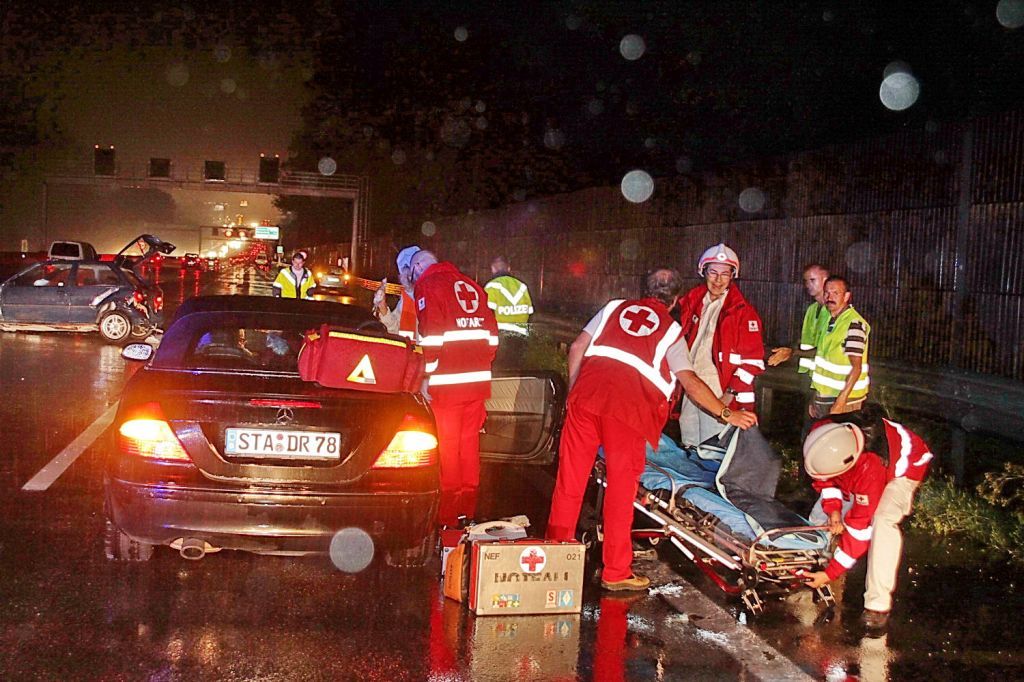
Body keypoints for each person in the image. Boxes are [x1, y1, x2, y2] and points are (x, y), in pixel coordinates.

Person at [546, 267, 758, 591]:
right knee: (620, 491)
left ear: (645, 289)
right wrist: (727, 413)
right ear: (675, 300)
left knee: (569, 481)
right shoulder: (671, 331)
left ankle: (553, 554)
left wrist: (575, 393)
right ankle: (616, 571)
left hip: (585, 401)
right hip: (628, 413)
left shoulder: (613, 307)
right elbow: (690, 381)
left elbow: (577, 348)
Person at [800, 412, 932, 629]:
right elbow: (824, 481)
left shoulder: (870, 469)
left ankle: (877, 605)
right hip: (857, 466)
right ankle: (810, 567)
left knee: (882, 521)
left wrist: (832, 573)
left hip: (904, 468)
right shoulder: (822, 434)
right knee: (819, 516)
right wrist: (834, 510)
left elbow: (859, 532)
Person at [409, 249, 499, 528]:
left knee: (448, 448)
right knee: (469, 444)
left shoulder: (428, 284)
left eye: (413, 271)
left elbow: (432, 336)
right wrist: (480, 362)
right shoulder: (471, 284)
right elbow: (493, 336)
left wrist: (427, 376)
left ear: (419, 267)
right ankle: (468, 510)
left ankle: (448, 516)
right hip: (477, 382)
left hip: (447, 384)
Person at [675, 243, 765, 447]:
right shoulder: (691, 302)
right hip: (691, 383)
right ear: (703, 272)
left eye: (725, 274)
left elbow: (753, 363)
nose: (718, 280)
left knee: (713, 444)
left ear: (733, 275)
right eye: (713, 273)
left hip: (719, 386)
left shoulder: (742, 312)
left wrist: (729, 394)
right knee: (689, 439)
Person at [808, 276, 870, 418]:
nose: (829, 297)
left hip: (846, 400)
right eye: (826, 293)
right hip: (826, 396)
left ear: (846, 296)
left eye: (835, 293)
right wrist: (815, 397)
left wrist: (840, 402)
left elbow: (856, 368)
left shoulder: (854, 323)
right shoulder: (830, 320)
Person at [767, 264, 831, 376]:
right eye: (806, 281)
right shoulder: (812, 309)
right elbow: (806, 339)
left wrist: (793, 352)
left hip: (825, 374)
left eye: (812, 280)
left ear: (825, 280)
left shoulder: (834, 311)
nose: (808, 285)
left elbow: (828, 348)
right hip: (809, 373)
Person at [484, 255, 534, 367]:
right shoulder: (522, 286)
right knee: (516, 370)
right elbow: (530, 313)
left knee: (500, 371)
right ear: (509, 268)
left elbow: (487, 314)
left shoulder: (492, 286)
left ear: (493, 268)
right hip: (520, 337)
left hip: (500, 336)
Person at [374, 245, 420, 340]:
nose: (409, 277)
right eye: (405, 273)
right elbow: (394, 330)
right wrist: (382, 306)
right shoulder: (407, 298)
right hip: (408, 349)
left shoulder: (436, 296)